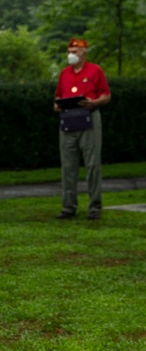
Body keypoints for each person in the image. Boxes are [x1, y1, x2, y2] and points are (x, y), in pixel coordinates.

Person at [53, 37, 111, 220]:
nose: (71, 55)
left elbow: (106, 95)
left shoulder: (95, 71)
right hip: (68, 120)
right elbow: (57, 98)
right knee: (68, 166)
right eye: (69, 52)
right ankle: (68, 206)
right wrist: (58, 105)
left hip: (89, 118)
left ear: (84, 53)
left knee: (93, 164)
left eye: (75, 52)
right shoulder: (64, 73)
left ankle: (95, 206)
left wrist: (94, 102)